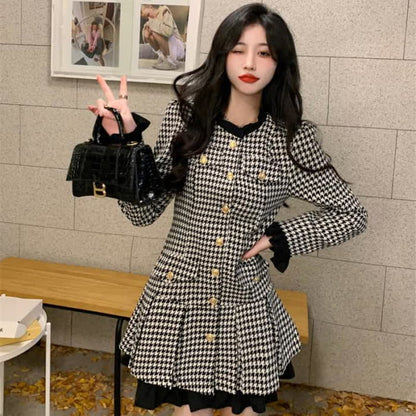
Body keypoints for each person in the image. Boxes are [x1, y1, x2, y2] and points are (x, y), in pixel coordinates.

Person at [87, 3, 367, 416]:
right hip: (181, 299)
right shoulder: (185, 119)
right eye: (239, 50)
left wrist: (278, 238)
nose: (250, 63)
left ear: (279, 63)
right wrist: (124, 145)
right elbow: (143, 213)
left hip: (245, 305)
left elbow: (351, 214)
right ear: (222, 55)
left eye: (264, 52)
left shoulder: (291, 139)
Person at [141, 4, 185, 70]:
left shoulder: (164, 12)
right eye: (147, 17)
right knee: (150, 35)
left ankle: (170, 62)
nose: (149, 18)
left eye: (148, 14)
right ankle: (163, 57)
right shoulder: (151, 19)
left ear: (150, 7)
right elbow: (146, 37)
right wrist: (146, 35)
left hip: (178, 48)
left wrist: (152, 24)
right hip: (170, 46)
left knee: (154, 31)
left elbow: (169, 32)